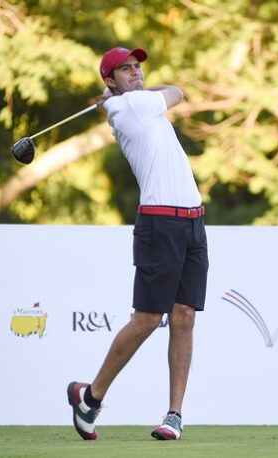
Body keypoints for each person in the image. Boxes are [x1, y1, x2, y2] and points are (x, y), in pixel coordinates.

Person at [67, 47, 209, 441]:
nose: (136, 73)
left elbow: (165, 92)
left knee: (184, 316)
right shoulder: (132, 107)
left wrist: (121, 92)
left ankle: (174, 415)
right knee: (147, 318)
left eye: (137, 67)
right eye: (125, 70)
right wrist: (125, 95)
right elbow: (177, 91)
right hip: (161, 223)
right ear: (109, 80)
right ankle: (91, 397)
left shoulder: (132, 103)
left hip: (193, 221)